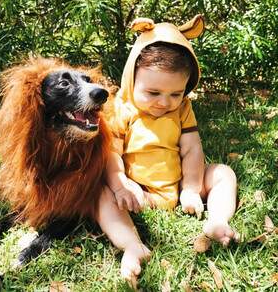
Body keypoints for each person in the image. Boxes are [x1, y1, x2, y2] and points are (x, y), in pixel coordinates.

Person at [96, 16, 239, 284]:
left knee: (223, 173)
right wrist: (121, 186)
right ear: (131, 78)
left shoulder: (183, 109)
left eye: (175, 94)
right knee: (100, 193)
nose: (164, 102)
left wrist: (191, 189)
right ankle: (131, 245)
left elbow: (192, 149)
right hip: (140, 193)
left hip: (181, 185)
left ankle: (218, 220)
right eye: (153, 92)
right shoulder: (123, 109)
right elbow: (111, 154)